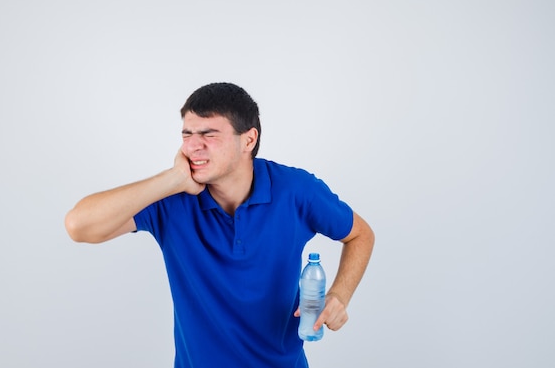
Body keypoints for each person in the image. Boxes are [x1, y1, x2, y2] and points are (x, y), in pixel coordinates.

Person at [65, 82, 374, 368]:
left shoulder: (296, 191)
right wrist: (173, 179)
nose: (193, 146)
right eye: (187, 135)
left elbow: (360, 234)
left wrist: (340, 295)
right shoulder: (172, 199)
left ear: (248, 140)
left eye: (209, 135)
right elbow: (78, 226)